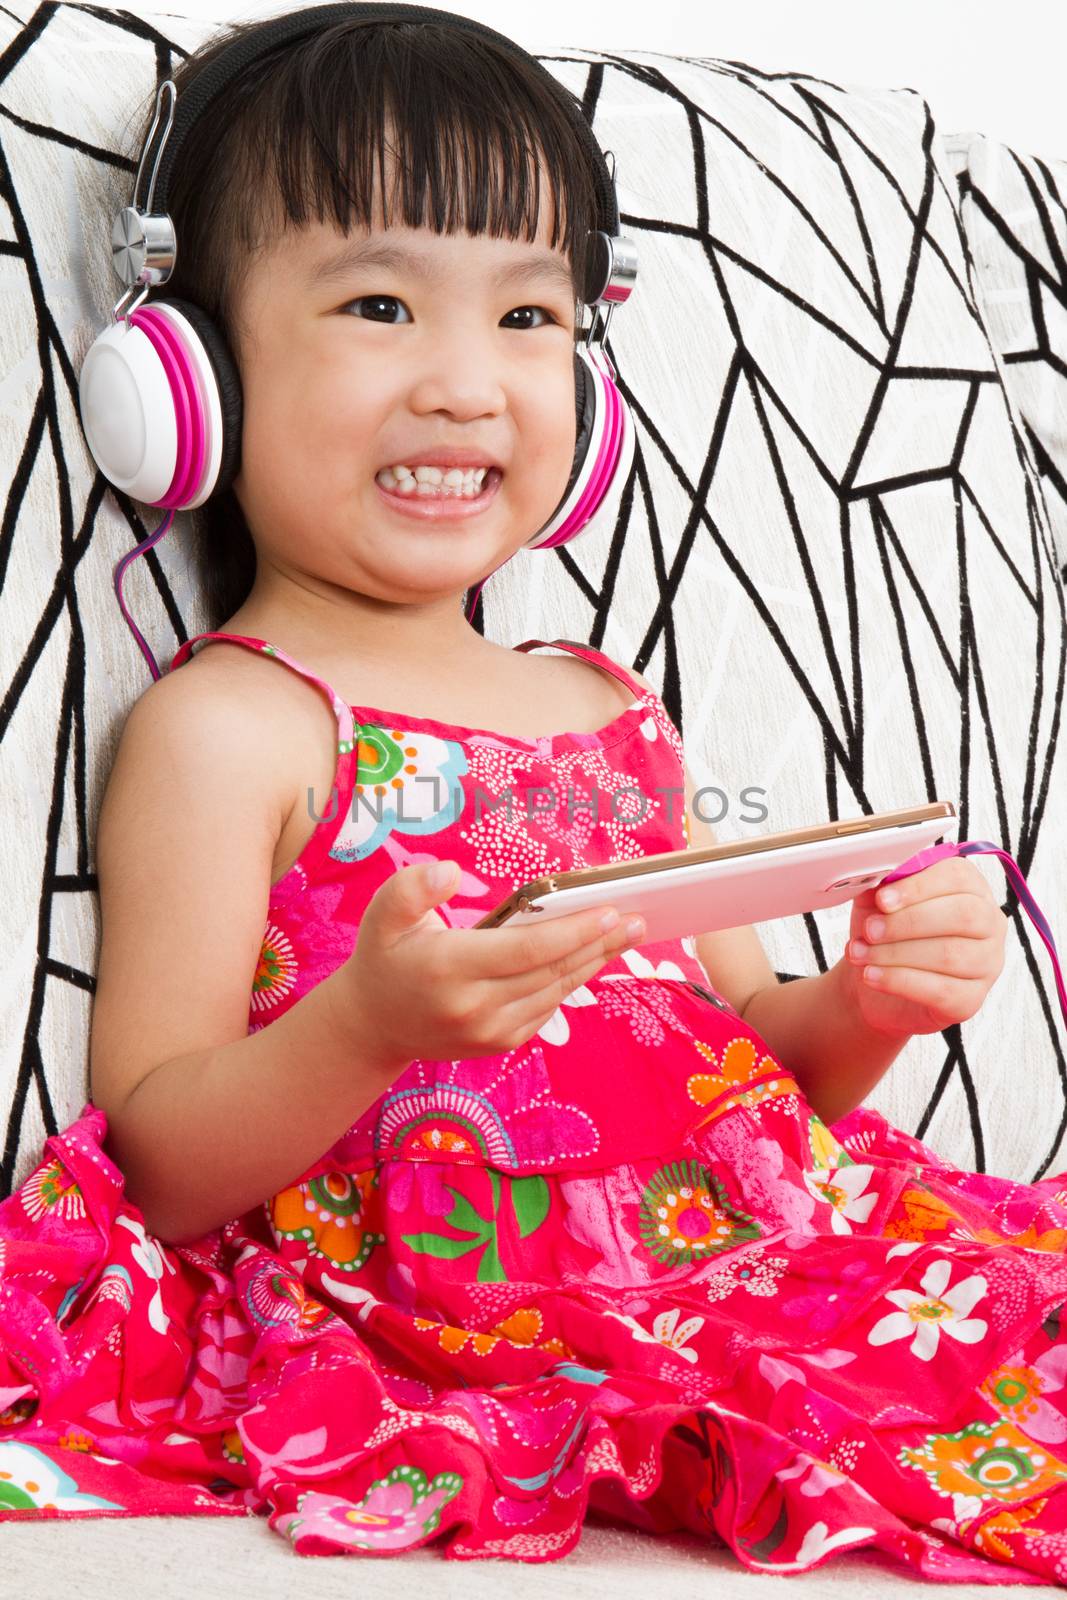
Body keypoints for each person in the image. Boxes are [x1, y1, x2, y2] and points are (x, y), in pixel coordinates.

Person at [4, 5, 1067, 1584]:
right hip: (503, 1313)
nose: (468, 385)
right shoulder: (237, 730)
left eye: (529, 320)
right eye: (379, 303)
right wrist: (369, 1026)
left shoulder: (605, 704)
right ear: (190, 378)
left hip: (778, 1253)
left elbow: (754, 1079)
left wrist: (873, 1005)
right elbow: (154, 1158)